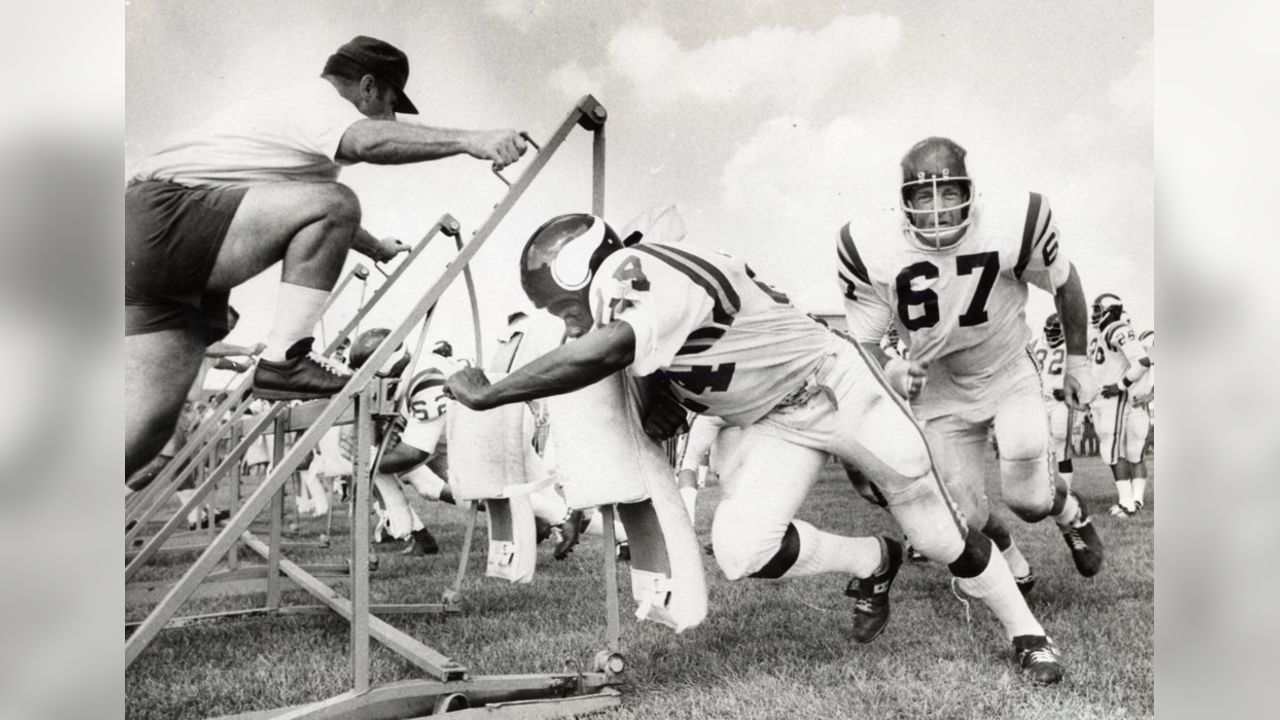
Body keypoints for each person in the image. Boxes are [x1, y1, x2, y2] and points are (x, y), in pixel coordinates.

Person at [445, 213, 1067, 684]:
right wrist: (659, 386)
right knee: (742, 550)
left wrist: (492, 393)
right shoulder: (642, 285)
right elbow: (658, 348)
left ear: (584, 271)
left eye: (562, 305)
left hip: (833, 387)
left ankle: (1027, 633)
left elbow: (606, 345)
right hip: (773, 420)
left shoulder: (643, 269)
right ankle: (872, 562)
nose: (569, 321)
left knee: (937, 535)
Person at [125, 35, 530, 478]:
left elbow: (300, 211)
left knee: (146, 427)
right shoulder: (317, 104)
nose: (391, 118)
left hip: (154, 250)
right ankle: (285, 359)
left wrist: (373, 247)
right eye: (390, 104)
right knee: (337, 200)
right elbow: (366, 148)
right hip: (163, 217)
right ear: (368, 87)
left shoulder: (302, 142)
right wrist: (472, 140)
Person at [837, 137, 1103, 595]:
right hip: (938, 385)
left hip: (1005, 367)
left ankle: (1068, 511)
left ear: (969, 194)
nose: (938, 208)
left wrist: (1077, 361)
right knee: (962, 511)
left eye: (949, 193)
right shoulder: (870, 246)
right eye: (924, 195)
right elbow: (863, 341)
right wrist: (893, 368)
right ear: (905, 202)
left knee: (1028, 497)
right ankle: (1015, 564)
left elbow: (1065, 282)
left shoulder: (1012, 222)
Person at [1087, 295, 1153, 516]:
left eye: (1099, 309)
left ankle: (1130, 502)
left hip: (1121, 401)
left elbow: (1143, 361)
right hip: (1102, 399)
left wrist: (1120, 385)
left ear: (1111, 311)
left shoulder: (1118, 328)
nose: (1095, 313)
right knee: (1113, 451)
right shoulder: (1099, 334)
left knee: (1124, 452)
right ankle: (1129, 501)